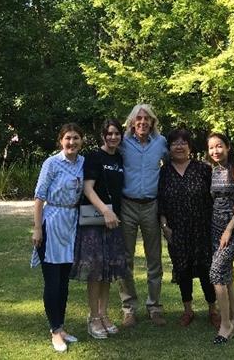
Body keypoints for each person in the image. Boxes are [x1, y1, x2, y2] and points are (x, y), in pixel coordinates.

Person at [70, 119, 128, 339]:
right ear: (103, 135)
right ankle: (93, 317)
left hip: (113, 222)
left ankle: (103, 314)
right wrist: (105, 211)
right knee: (95, 271)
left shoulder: (119, 158)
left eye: (116, 133)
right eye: (109, 133)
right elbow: (88, 189)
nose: (113, 137)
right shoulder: (94, 157)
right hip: (96, 222)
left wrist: (112, 215)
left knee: (107, 271)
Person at [158, 128, 220, 328]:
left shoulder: (203, 169)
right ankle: (188, 310)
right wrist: (164, 226)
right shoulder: (164, 172)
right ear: (169, 148)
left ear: (190, 147)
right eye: (175, 143)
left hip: (202, 228)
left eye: (183, 142)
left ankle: (213, 309)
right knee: (182, 269)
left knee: (205, 268)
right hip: (177, 230)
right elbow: (160, 201)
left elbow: (215, 197)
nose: (179, 146)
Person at [31, 123, 85, 353]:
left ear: (81, 140)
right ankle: (54, 331)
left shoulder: (83, 163)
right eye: (67, 138)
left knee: (64, 282)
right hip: (52, 224)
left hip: (71, 225)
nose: (71, 142)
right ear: (61, 141)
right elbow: (39, 197)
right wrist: (37, 228)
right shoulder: (51, 163)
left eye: (76, 138)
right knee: (52, 282)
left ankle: (60, 326)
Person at [118, 103, 168, 327]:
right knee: (125, 259)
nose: (143, 122)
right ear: (132, 122)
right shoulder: (122, 143)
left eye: (147, 118)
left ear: (153, 122)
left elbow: (171, 165)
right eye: (138, 118)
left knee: (154, 259)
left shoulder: (161, 142)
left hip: (151, 206)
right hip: (127, 205)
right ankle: (129, 308)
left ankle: (154, 306)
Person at [207, 132, 234, 345]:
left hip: (233, 231)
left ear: (228, 147)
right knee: (227, 274)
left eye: (219, 146)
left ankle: (226, 325)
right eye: (211, 147)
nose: (215, 151)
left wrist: (229, 229)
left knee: (216, 273)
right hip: (215, 229)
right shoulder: (214, 171)